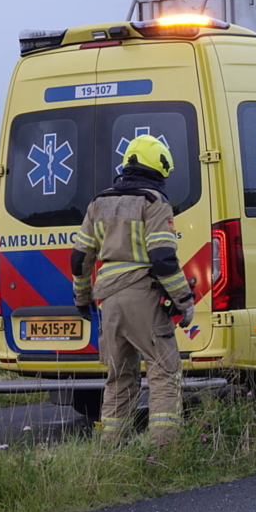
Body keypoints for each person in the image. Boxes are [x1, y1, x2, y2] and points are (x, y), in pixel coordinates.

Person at [71, 135, 195, 446]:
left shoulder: (98, 203)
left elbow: (80, 258)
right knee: (164, 372)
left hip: (109, 302)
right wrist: (183, 301)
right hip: (143, 296)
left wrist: (82, 297)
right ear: (159, 169)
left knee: (119, 377)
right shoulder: (154, 203)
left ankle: (111, 448)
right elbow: (163, 258)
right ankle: (163, 449)